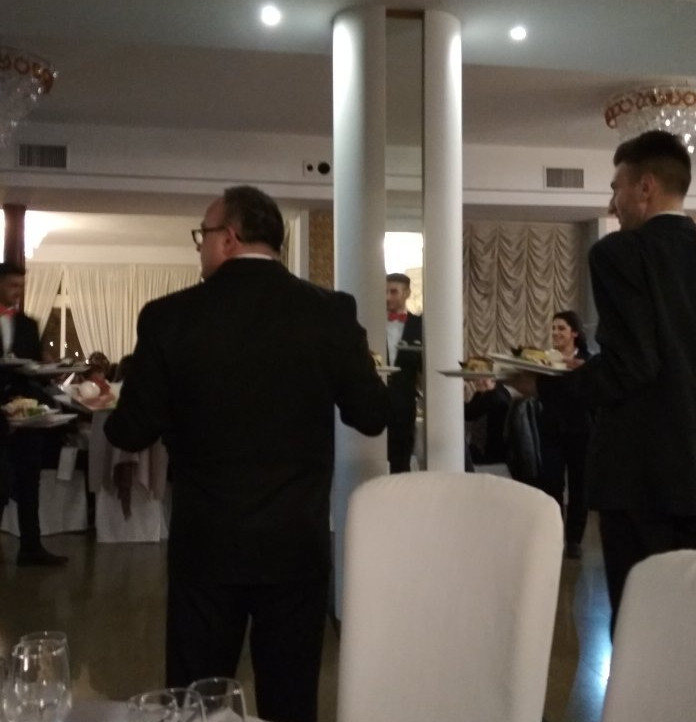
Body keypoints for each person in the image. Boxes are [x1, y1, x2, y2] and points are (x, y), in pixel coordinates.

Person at [104, 185, 388, 722]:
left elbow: (131, 430)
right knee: (290, 700)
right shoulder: (329, 312)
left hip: (206, 545)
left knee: (196, 701)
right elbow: (371, 415)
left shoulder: (169, 317)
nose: (201, 247)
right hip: (295, 544)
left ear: (228, 238)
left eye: (203, 236)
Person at [510, 130, 696, 630]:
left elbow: (632, 365)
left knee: (639, 628)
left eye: (616, 188)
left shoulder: (619, 253)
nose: (611, 203)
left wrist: (543, 386)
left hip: (639, 481)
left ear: (645, 187)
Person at [0, 262, 68, 566]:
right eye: (12, 285)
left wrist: (49, 369)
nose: (18, 291)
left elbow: (35, 366)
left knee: (30, 480)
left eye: (21, 286)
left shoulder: (28, 324)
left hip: (27, 411)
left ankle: (31, 546)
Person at [536, 310, 592, 560]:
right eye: (554, 328)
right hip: (551, 430)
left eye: (561, 328)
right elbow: (541, 394)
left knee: (580, 486)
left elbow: (589, 395)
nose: (556, 333)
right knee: (552, 484)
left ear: (574, 333)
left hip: (581, 431)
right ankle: (555, 535)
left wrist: (575, 372)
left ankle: (574, 540)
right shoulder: (545, 360)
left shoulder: (587, 362)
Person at [385, 272, 423, 473]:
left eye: (393, 292)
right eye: (385, 292)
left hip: (404, 404)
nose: (387, 297)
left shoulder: (420, 325)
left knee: (401, 462)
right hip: (375, 402)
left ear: (407, 293)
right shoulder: (372, 322)